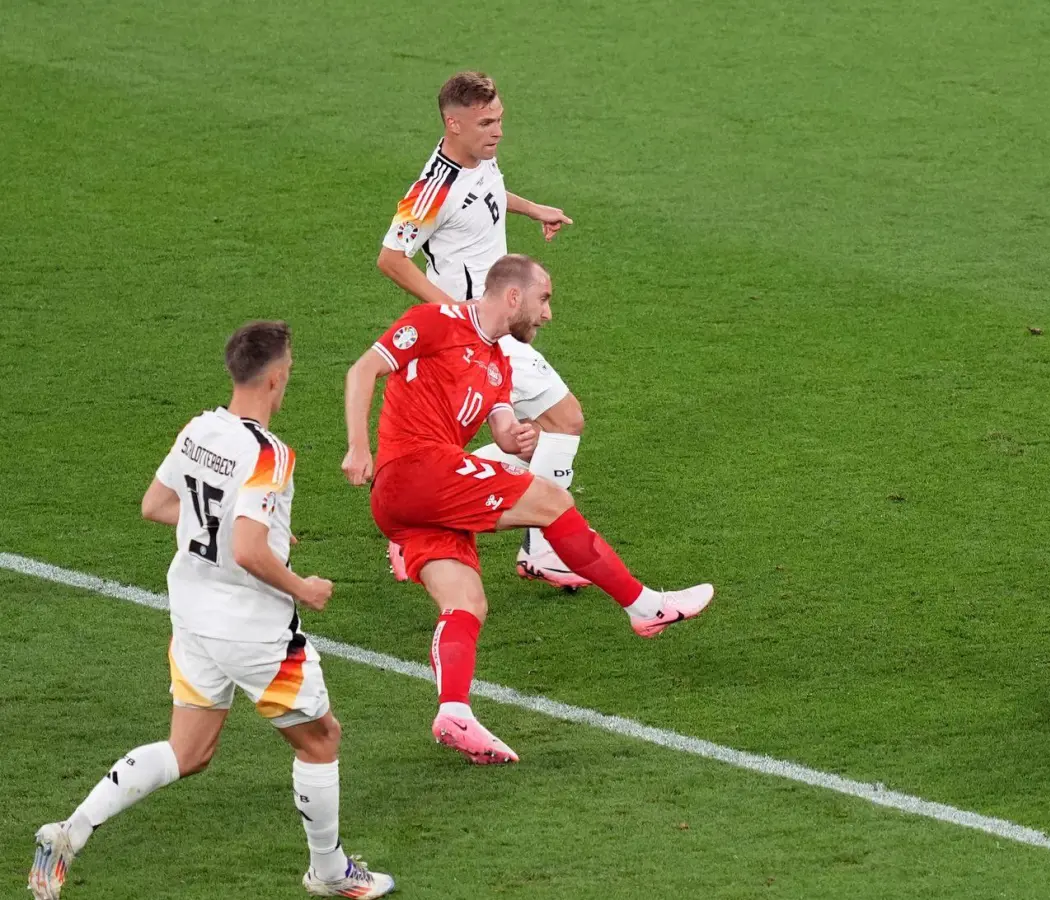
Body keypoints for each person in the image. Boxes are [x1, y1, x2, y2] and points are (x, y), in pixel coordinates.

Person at [29, 322, 393, 899]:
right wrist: (302, 585)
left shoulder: (199, 428)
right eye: (290, 370)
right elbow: (247, 550)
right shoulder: (269, 454)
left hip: (193, 617)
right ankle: (327, 871)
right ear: (276, 378)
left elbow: (158, 505)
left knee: (188, 750)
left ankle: (69, 830)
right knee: (321, 739)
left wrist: (257, 530)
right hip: (253, 631)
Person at [343, 254, 713, 764]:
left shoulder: (498, 364)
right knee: (551, 501)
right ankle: (643, 606)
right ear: (513, 296)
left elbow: (502, 434)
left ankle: (454, 711)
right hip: (412, 470)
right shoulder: (434, 323)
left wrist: (520, 438)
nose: (548, 314)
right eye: (544, 299)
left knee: (467, 604)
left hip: (410, 503)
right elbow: (363, 370)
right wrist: (358, 447)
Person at [377, 70, 589, 590]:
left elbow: (488, 191)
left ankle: (422, 509)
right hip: (473, 332)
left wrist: (531, 206)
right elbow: (390, 258)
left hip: (493, 328)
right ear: (453, 123)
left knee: (545, 432)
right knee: (563, 422)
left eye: (500, 120)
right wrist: (454, 315)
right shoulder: (429, 190)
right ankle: (541, 549)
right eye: (486, 123)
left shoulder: (481, 157)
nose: (497, 132)